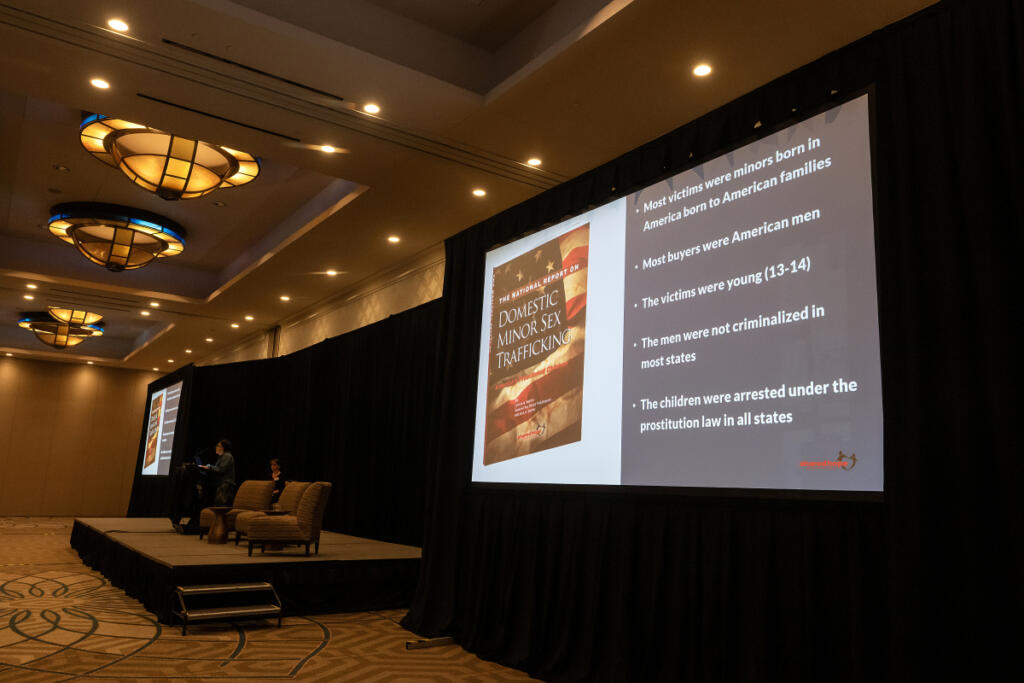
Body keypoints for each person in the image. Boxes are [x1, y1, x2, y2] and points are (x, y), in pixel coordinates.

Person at [201, 439, 237, 506]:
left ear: (222, 448)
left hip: (225, 485)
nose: (216, 447)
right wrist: (209, 467)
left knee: (221, 505)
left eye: (218, 446)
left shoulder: (227, 456)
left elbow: (221, 469)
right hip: (222, 484)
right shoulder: (222, 456)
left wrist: (209, 467)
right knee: (218, 504)